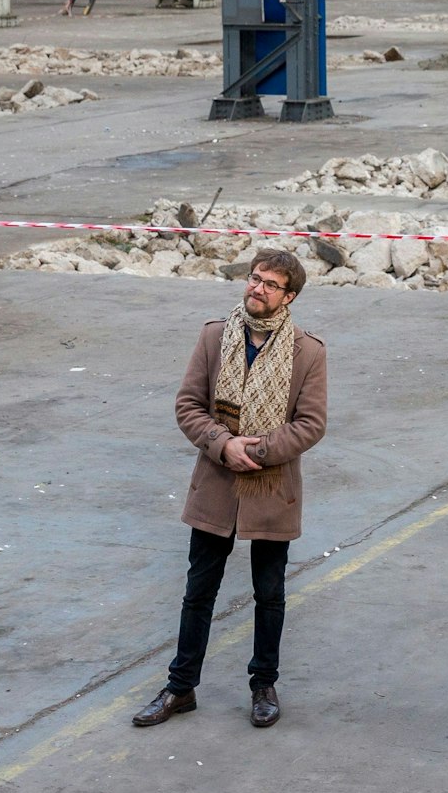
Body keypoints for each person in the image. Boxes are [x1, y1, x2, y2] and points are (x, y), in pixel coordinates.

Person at [133, 248, 328, 730]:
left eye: (270, 284)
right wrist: (224, 444)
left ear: (290, 296)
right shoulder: (215, 337)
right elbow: (188, 405)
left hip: (271, 486)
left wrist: (256, 452)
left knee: (270, 593)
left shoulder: (308, 352)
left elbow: (310, 424)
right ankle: (181, 688)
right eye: (254, 278)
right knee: (199, 590)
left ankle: (264, 684)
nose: (257, 288)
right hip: (217, 482)